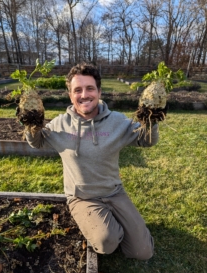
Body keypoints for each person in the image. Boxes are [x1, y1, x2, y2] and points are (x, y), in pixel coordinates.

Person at [25, 62, 159, 260]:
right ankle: (102, 225)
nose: (84, 95)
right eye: (77, 90)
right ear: (70, 95)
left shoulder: (118, 122)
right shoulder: (60, 124)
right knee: (107, 242)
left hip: (114, 192)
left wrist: (152, 116)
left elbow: (146, 140)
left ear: (99, 91)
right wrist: (30, 121)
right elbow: (36, 142)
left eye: (90, 88)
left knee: (143, 252)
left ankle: (114, 223)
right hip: (82, 197)